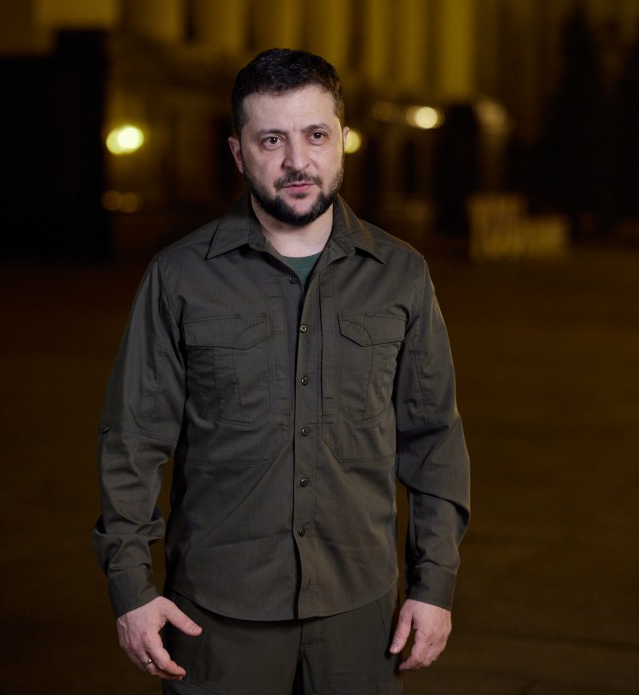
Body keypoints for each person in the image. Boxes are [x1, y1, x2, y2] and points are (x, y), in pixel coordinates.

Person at [93, 48, 470, 694]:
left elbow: (433, 438)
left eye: (315, 135)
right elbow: (132, 440)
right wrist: (131, 589)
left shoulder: (401, 275)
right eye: (271, 139)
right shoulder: (179, 278)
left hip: (360, 612)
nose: (297, 160)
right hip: (216, 614)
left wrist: (433, 583)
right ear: (238, 153)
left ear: (341, 140)